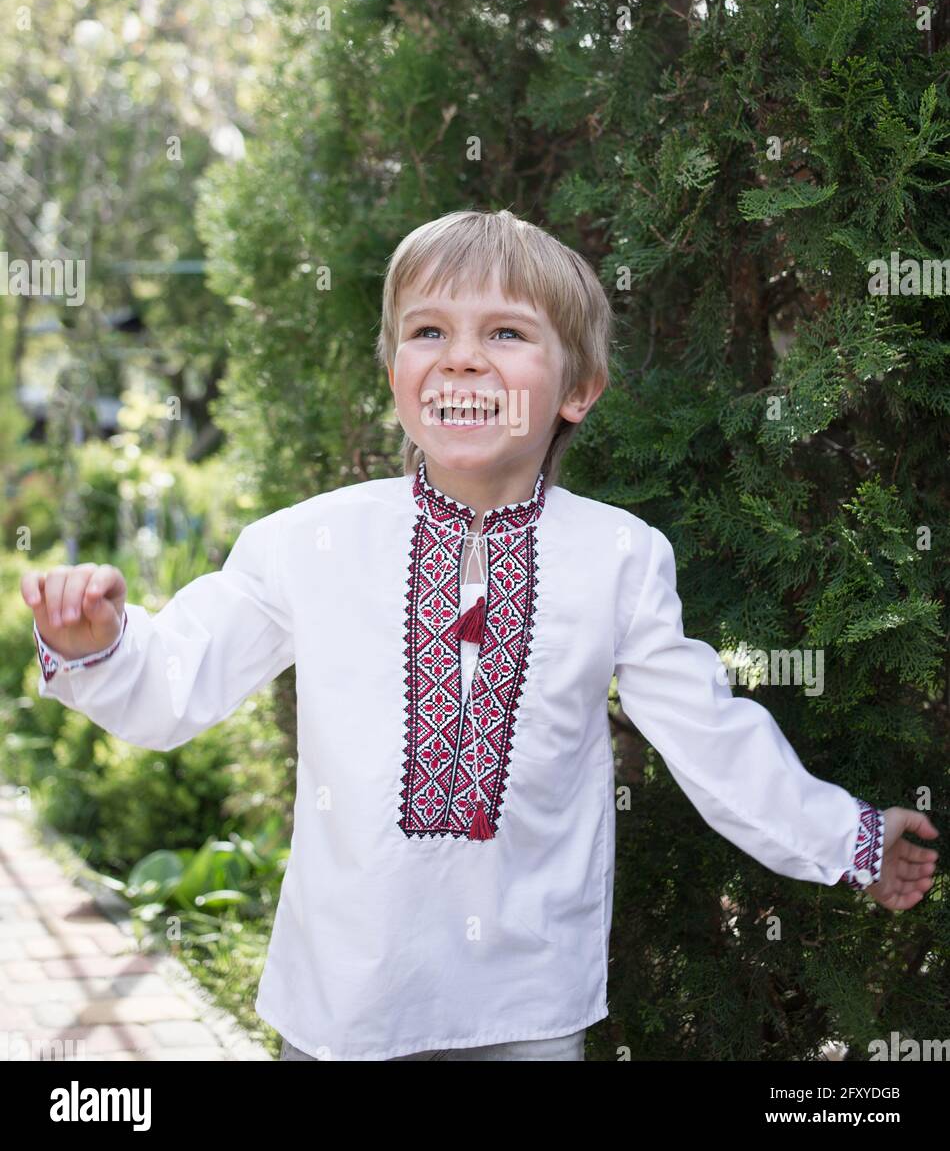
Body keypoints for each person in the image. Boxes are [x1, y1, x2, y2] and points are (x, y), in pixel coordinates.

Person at [22, 208, 939, 1063]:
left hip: (528, 1006)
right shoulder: (308, 542)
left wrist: (848, 838)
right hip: (344, 1004)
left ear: (578, 388)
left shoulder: (618, 558)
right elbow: (178, 682)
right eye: (429, 332)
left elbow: (713, 739)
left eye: (504, 333)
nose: (460, 360)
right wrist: (95, 641)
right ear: (396, 378)